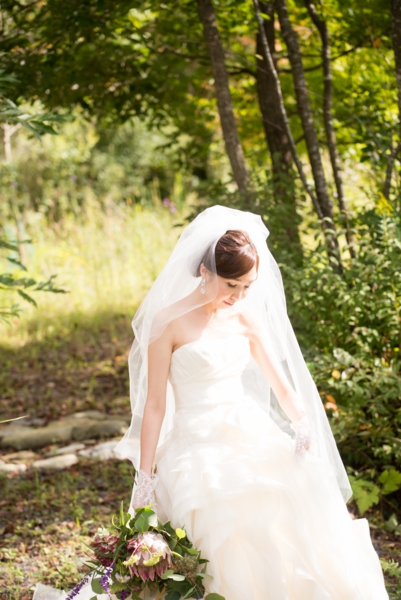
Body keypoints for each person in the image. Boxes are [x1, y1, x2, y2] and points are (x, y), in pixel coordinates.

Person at [34, 206, 389, 600]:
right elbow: (154, 406)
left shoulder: (245, 320)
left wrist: (302, 426)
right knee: (212, 530)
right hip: (194, 444)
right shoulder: (167, 322)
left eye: (247, 287)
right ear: (205, 272)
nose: (238, 296)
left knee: (280, 514)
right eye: (231, 285)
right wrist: (146, 476)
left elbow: (282, 386)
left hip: (246, 431)